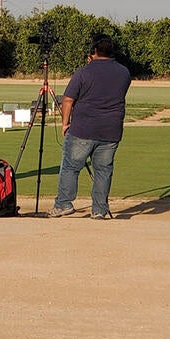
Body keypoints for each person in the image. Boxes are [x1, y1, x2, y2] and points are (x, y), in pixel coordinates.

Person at [48, 34, 131, 219]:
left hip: (83, 128)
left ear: (93, 51)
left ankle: (64, 204)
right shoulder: (124, 72)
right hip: (111, 129)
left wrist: (64, 123)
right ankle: (99, 209)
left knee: (70, 167)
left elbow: (68, 100)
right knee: (103, 170)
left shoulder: (83, 72)